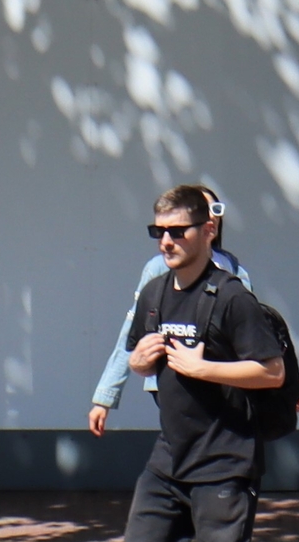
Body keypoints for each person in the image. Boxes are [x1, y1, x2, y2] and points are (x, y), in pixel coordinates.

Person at [119, 185, 288, 542]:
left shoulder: (232, 297)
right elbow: (135, 356)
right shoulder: (155, 293)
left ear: (207, 231)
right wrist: (139, 362)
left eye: (177, 231)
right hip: (172, 449)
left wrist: (204, 368)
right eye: (159, 232)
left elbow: (272, 371)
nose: (166, 241)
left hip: (225, 450)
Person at [87, 185, 253, 437]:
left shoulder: (233, 269)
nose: (211, 217)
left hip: (221, 383)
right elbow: (132, 334)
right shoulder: (159, 269)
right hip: (172, 381)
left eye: (215, 210)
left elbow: (253, 336)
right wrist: (105, 396)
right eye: (202, 210)